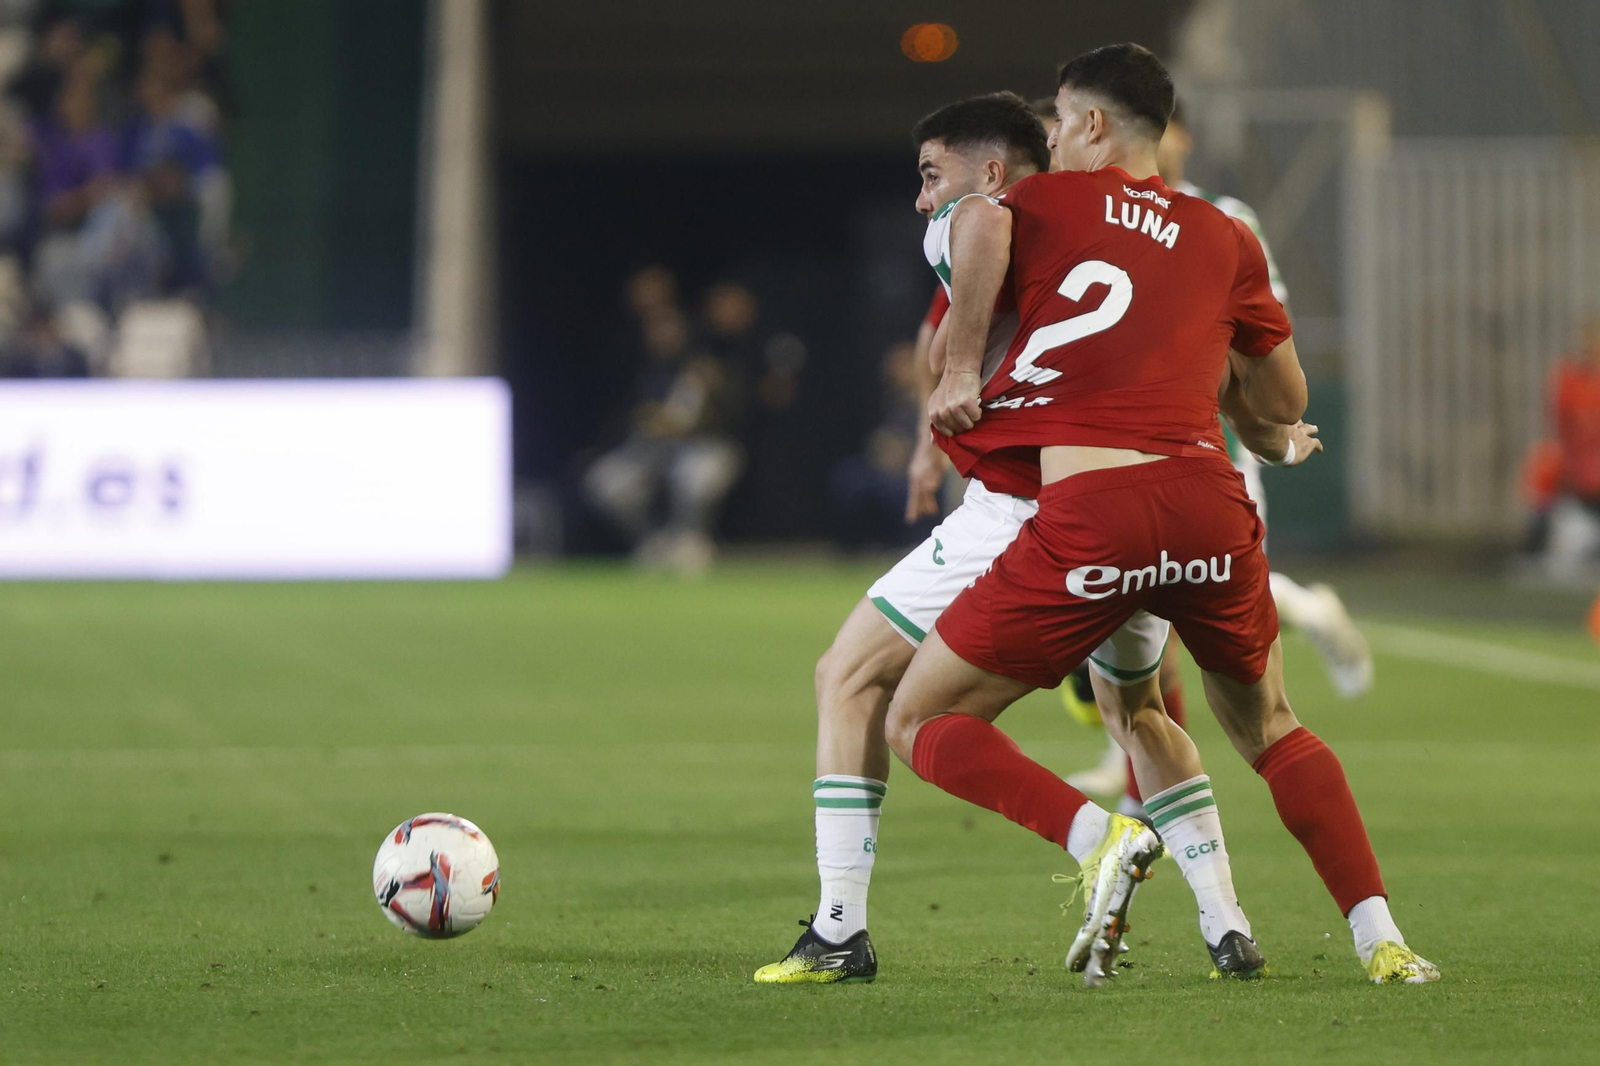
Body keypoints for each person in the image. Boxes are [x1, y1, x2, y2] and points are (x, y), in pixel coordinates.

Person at [890, 44, 1438, 986]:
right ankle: (1378, 937)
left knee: (915, 720)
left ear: (1094, 125)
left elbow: (973, 216)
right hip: (1204, 505)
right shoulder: (1226, 235)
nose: (1048, 140)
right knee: (1267, 724)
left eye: (1058, 122)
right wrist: (1265, 432)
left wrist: (954, 365)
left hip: (1090, 514)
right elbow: (1283, 398)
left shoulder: (1038, 204)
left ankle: (1101, 838)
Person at [753, 92, 1175, 986]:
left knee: (860, 683)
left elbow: (975, 226)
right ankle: (1225, 922)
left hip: (1019, 507)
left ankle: (851, 926)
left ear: (989, 169)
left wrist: (953, 367)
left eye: (929, 175)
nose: (922, 200)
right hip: (1129, 500)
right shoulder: (1103, 227)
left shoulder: (981, 212)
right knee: (1150, 713)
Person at [1064, 98, 1375, 809]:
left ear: (1180, 136)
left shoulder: (1225, 216)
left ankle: (1306, 615)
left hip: (1214, 444)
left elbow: (1264, 326)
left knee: (1191, 594)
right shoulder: (1102, 213)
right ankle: (1135, 761)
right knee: (1138, 603)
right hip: (1126, 445)